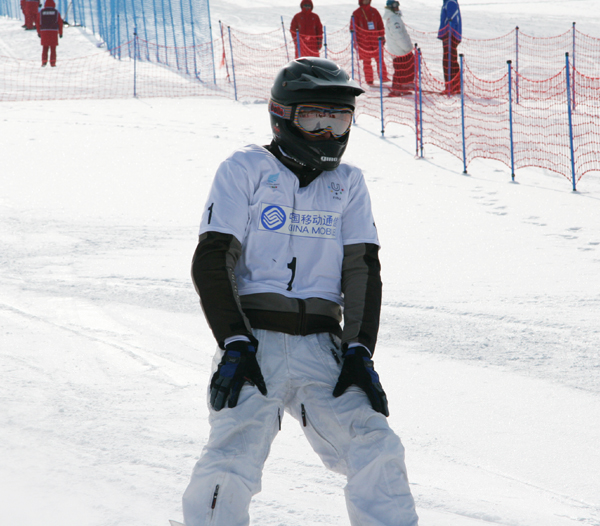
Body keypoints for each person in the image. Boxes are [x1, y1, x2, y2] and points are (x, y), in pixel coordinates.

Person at [181, 57, 419, 526]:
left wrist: (359, 350)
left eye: (339, 118)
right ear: (282, 115)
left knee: (375, 446)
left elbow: (361, 268)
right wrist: (234, 341)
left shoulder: (347, 183)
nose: (328, 132)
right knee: (235, 451)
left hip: (323, 349)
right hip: (256, 342)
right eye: (314, 117)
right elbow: (213, 258)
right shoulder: (245, 168)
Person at [351, 0, 389, 85]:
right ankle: (369, 80)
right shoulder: (356, 13)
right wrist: (355, 41)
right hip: (363, 42)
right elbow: (353, 29)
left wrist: (382, 37)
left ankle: (384, 78)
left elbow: (380, 25)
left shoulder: (374, 11)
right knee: (366, 62)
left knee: (380, 60)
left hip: (376, 40)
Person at [383, 0, 414, 96]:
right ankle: (396, 89)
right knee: (400, 70)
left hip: (399, 49)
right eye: (395, 5)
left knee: (405, 69)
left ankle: (403, 87)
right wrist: (407, 47)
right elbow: (398, 36)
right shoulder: (393, 19)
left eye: (397, 5)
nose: (397, 7)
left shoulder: (394, 18)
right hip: (400, 50)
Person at [437, 0, 462, 94]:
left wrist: (448, 34)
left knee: (449, 61)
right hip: (450, 36)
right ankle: (454, 86)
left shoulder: (450, 2)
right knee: (450, 60)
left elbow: (452, 20)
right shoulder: (448, 2)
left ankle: (451, 86)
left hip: (450, 36)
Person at [36, 0, 63, 67]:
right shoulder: (56, 12)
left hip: (44, 32)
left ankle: (44, 62)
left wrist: (39, 32)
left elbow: (38, 22)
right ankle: (53, 63)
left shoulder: (41, 12)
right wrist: (60, 33)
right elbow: (60, 23)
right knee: (53, 49)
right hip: (53, 32)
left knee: (45, 48)